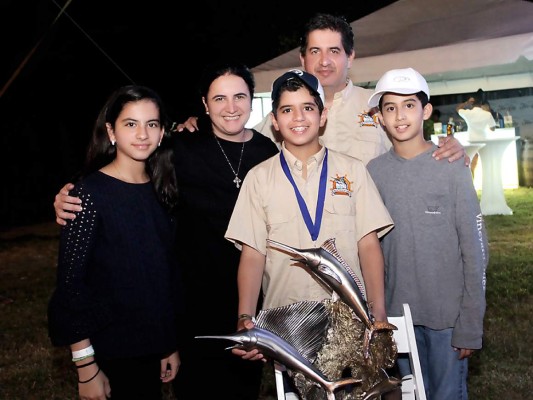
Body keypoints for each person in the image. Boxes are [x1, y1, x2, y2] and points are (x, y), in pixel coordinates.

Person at [53, 63, 279, 400]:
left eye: (239, 97)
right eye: (219, 98)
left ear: (252, 99)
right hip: (188, 303)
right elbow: (114, 183)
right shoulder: (181, 148)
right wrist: (66, 196)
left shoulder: (269, 152)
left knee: (242, 388)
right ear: (204, 104)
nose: (230, 107)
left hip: (246, 297)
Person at [224, 70, 395, 397]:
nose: (298, 117)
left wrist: (379, 314)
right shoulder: (259, 179)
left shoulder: (352, 170)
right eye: (287, 110)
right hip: (287, 324)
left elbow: (368, 244)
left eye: (307, 107)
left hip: (350, 320)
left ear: (323, 115)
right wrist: (245, 316)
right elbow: (252, 255)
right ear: (274, 120)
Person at [177, 13, 466, 165]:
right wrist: (200, 126)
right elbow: (238, 140)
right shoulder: (281, 115)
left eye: (334, 51)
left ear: (350, 56)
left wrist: (453, 149)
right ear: (302, 59)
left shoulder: (379, 105)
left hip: (368, 242)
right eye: (314, 51)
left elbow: (414, 152)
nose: (324, 61)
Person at [47, 85, 184, 400]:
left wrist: (167, 345)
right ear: (111, 131)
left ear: (162, 132)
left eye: (151, 124)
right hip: (111, 352)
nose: (142, 134)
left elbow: (160, 280)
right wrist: (86, 367)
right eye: (130, 124)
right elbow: (70, 287)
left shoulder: (163, 191)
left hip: (151, 347)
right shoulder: (88, 195)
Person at [366, 68, 488, 399]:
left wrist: (470, 322)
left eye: (409, 105)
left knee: (447, 394)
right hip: (397, 316)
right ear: (379, 117)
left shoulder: (451, 166)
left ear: (426, 111)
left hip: (447, 318)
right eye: (389, 108)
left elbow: (475, 250)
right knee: (411, 394)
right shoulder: (373, 174)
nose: (399, 115)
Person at [456, 93, 497, 176]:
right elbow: (493, 129)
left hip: (472, 141)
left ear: (472, 103)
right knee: (486, 164)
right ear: (481, 103)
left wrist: (466, 102)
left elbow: (458, 108)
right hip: (484, 141)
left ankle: (472, 181)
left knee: (472, 165)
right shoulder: (487, 114)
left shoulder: (468, 113)